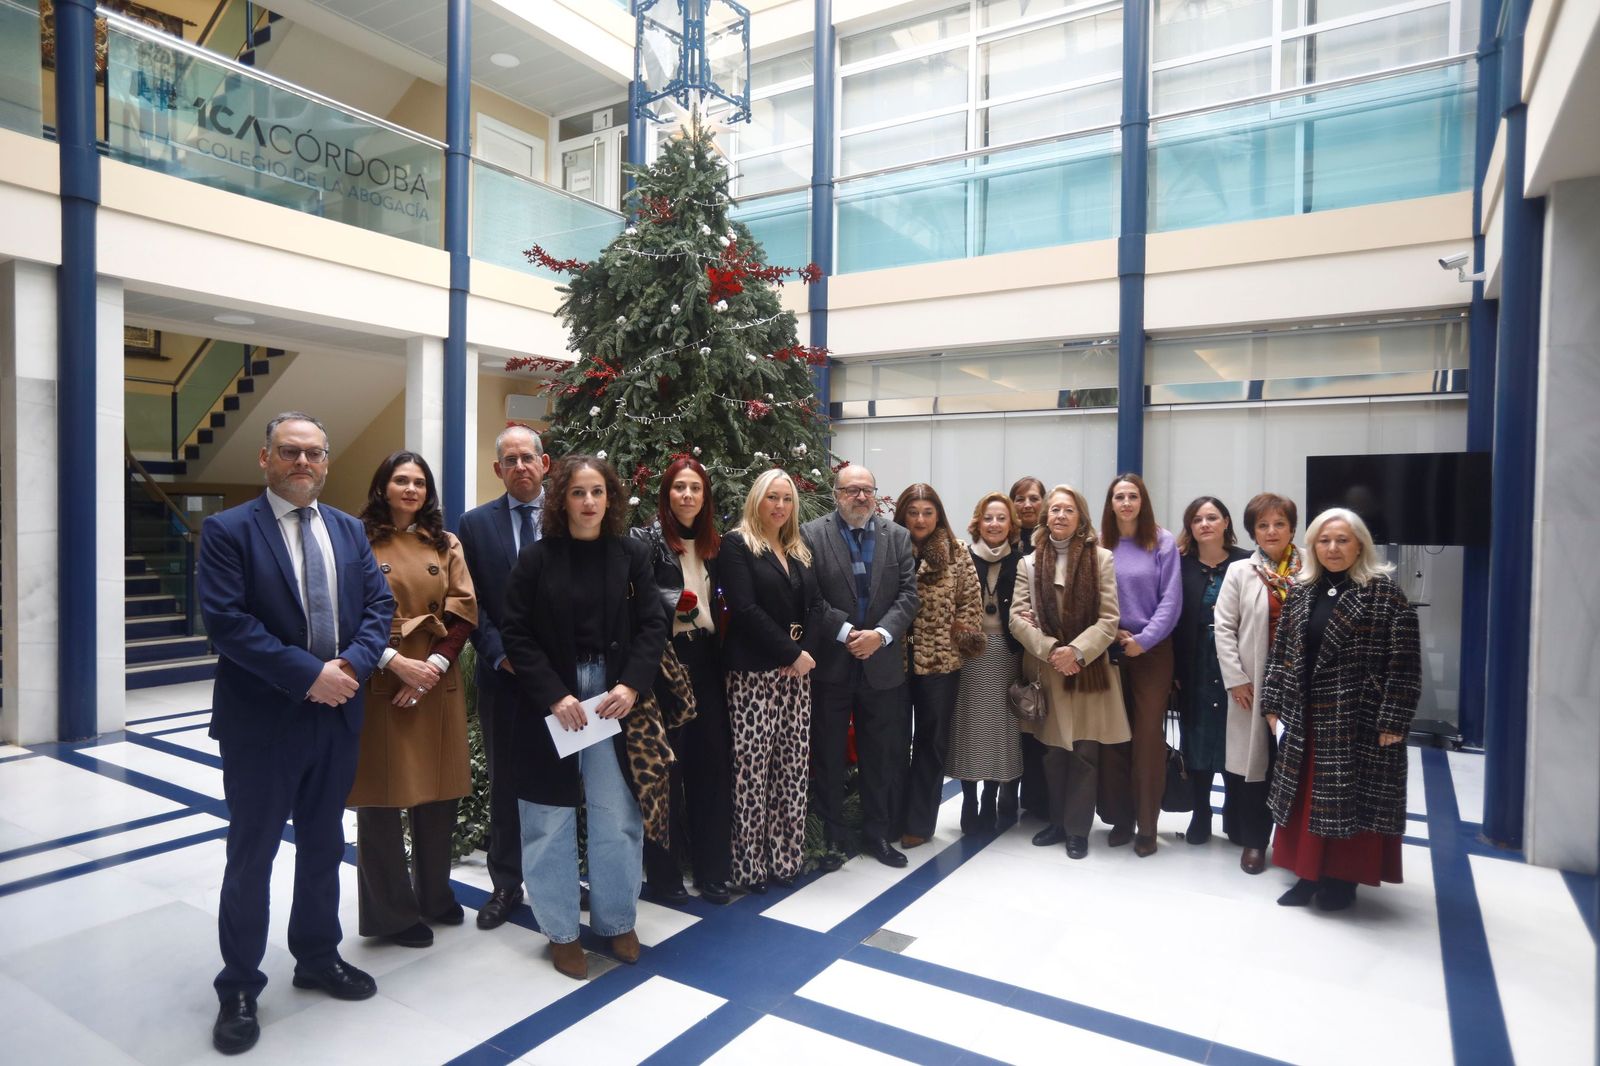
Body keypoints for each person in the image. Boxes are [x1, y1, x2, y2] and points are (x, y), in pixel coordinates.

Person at [199, 412, 395, 1055]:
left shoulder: (346, 530)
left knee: (322, 844)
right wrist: (310, 674)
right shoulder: (229, 531)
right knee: (251, 856)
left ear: (327, 461)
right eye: (290, 451)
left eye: (314, 452)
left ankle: (316, 955)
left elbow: (378, 609)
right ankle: (239, 984)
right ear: (265, 458)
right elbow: (228, 624)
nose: (302, 462)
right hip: (263, 724)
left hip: (337, 718)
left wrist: (353, 668)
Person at [499, 456, 667, 978]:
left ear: (610, 498)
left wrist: (631, 684)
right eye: (578, 493)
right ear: (561, 500)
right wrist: (553, 693)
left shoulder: (632, 555)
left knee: (616, 812)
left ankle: (617, 920)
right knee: (548, 818)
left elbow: (652, 625)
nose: (589, 502)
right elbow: (516, 633)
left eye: (597, 492)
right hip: (556, 701)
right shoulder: (537, 559)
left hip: (612, 699)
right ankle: (561, 931)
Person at [348, 451, 477, 948]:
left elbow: (463, 609)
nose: (410, 489)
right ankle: (391, 915)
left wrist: (436, 665)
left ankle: (434, 894)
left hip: (435, 681)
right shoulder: (357, 538)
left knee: (439, 793)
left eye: (419, 482)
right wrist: (392, 662)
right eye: (400, 480)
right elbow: (346, 612)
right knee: (380, 799)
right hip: (381, 676)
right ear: (382, 486)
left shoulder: (445, 543)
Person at [1262, 508, 1420, 911]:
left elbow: (1404, 664)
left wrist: (1394, 720)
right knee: (1305, 797)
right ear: (1313, 546)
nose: (1333, 548)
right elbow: (1282, 654)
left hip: (1358, 720)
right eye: (1324, 540)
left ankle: (1341, 880)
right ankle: (1306, 873)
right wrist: (1273, 703)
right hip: (1305, 716)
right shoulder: (1301, 590)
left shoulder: (1384, 594)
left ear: (1360, 545)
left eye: (1343, 540)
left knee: (1348, 802)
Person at [801, 464, 920, 869]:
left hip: (882, 668)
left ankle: (877, 835)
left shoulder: (898, 537)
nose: (861, 497)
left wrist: (880, 636)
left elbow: (908, 595)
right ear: (836, 494)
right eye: (852, 490)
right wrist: (849, 632)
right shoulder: (811, 534)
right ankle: (833, 838)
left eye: (867, 490)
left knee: (880, 757)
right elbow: (812, 598)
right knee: (829, 757)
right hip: (832, 666)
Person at [456, 425, 549, 930]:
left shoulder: (572, 511)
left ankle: (557, 876)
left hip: (564, 682)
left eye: (527, 457)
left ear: (544, 463)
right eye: (509, 460)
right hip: (506, 679)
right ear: (498, 469)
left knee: (563, 779)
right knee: (507, 783)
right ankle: (506, 883)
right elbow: (473, 602)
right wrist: (498, 654)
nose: (519, 467)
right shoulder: (475, 525)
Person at [631, 456, 734, 905]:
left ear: (705, 495)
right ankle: (665, 876)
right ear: (666, 493)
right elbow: (634, 599)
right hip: (665, 666)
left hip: (709, 662)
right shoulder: (645, 541)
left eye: (695, 488)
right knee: (666, 772)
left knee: (711, 769)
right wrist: (677, 601)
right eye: (679, 488)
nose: (687, 496)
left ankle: (713, 871)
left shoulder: (717, 543)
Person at [719, 469, 826, 890]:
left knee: (791, 770)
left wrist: (804, 656)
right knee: (751, 773)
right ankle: (749, 867)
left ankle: (785, 860)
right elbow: (744, 609)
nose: (780, 506)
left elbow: (816, 605)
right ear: (756, 501)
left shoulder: (798, 547)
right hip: (753, 676)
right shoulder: (737, 544)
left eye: (786, 499)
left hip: (797, 676)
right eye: (772, 498)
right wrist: (791, 653)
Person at [1009, 485, 1127, 859]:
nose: (1060, 515)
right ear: (1045, 518)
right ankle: (1057, 822)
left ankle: (1077, 830)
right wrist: (1052, 650)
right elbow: (1016, 618)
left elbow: (1110, 619)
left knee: (1084, 752)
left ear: (1081, 519)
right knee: (1052, 751)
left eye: (1069, 510)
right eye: (1055, 509)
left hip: (1088, 669)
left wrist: (1076, 651)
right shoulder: (1027, 563)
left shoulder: (1102, 559)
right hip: (1047, 669)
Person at [1213, 492, 1302, 874]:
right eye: (1262, 525)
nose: (1271, 531)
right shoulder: (1240, 571)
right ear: (1252, 531)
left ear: (1292, 528)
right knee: (1256, 767)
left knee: (1297, 764)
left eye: (1278, 524)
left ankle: (1297, 844)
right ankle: (1254, 842)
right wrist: (1235, 680)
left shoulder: (1310, 569)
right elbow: (1224, 628)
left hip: (1300, 687)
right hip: (1254, 684)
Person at [1097, 472, 1181, 857]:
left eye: (1133, 496)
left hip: (1151, 651)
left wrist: (1143, 641)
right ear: (1111, 504)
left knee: (1147, 739)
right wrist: (1110, 635)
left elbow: (1171, 601)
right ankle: (1121, 819)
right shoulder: (1101, 543)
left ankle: (1147, 825)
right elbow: (1092, 595)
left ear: (1143, 501)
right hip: (1109, 648)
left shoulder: (1161, 542)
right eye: (1119, 496)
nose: (1126, 503)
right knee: (1115, 737)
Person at [894, 483, 983, 848]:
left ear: (938, 515)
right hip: (893, 662)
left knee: (931, 742)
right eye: (913, 512)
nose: (920, 519)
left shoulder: (956, 551)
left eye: (927, 512)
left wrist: (957, 635)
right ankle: (891, 818)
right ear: (902, 515)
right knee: (894, 743)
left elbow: (970, 602)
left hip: (940, 664)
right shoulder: (890, 547)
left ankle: (919, 823)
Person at [1170, 496, 1251, 858]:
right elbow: (1170, 618)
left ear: (1225, 522)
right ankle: (1200, 814)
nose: (1205, 524)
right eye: (1197, 519)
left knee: (1236, 740)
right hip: (1195, 663)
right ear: (1190, 527)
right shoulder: (1179, 564)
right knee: (1198, 739)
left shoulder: (1247, 561)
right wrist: (1173, 671)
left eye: (1212, 517)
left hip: (1237, 665)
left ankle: (1236, 815)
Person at [947, 492, 1025, 832]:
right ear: (978, 522)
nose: (994, 524)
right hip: (969, 656)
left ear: (1011, 525)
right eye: (988, 518)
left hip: (1007, 655)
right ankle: (969, 797)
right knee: (967, 727)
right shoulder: (961, 557)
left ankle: (992, 795)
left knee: (999, 730)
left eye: (1001, 518)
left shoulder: (1022, 561)